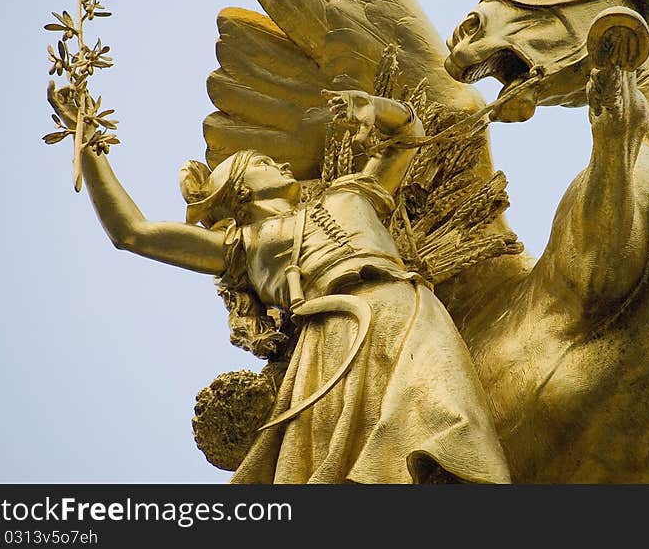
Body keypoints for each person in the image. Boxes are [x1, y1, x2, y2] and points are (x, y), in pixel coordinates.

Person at [47, 83, 511, 484]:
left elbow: (406, 136)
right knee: (338, 457)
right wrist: (87, 140)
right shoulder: (241, 246)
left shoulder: (350, 192)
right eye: (265, 163)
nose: (283, 166)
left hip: (404, 306)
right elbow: (133, 232)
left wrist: (373, 105)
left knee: (449, 412)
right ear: (241, 190)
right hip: (329, 338)